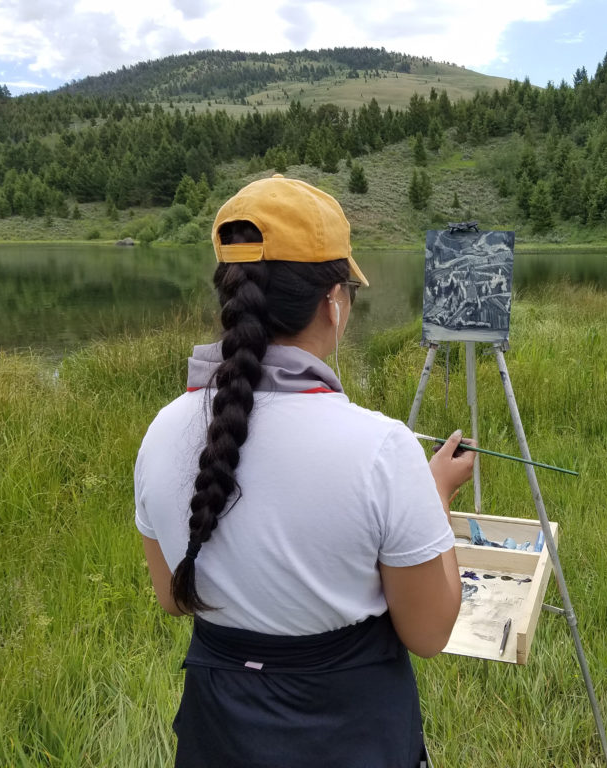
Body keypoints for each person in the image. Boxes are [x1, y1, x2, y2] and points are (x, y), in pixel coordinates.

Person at [134, 175, 476, 767]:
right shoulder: (381, 449)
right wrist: (435, 494)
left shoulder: (163, 431)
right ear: (333, 304)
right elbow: (428, 633)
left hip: (217, 739)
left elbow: (172, 596)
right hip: (350, 740)